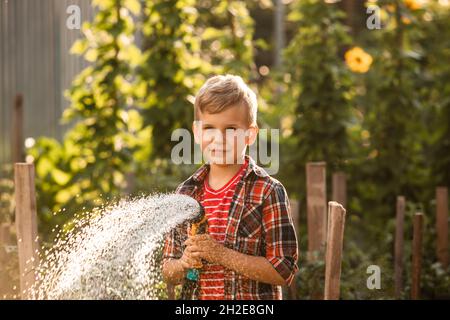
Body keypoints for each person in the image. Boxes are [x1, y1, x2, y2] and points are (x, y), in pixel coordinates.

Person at [162, 74, 298, 300]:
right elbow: (169, 272)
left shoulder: (267, 191)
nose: (219, 138)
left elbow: (284, 271)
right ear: (196, 132)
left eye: (231, 129)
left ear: (250, 134)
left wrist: (221, 255)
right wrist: (184, 263)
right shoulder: (186, 194)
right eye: (209, 128)